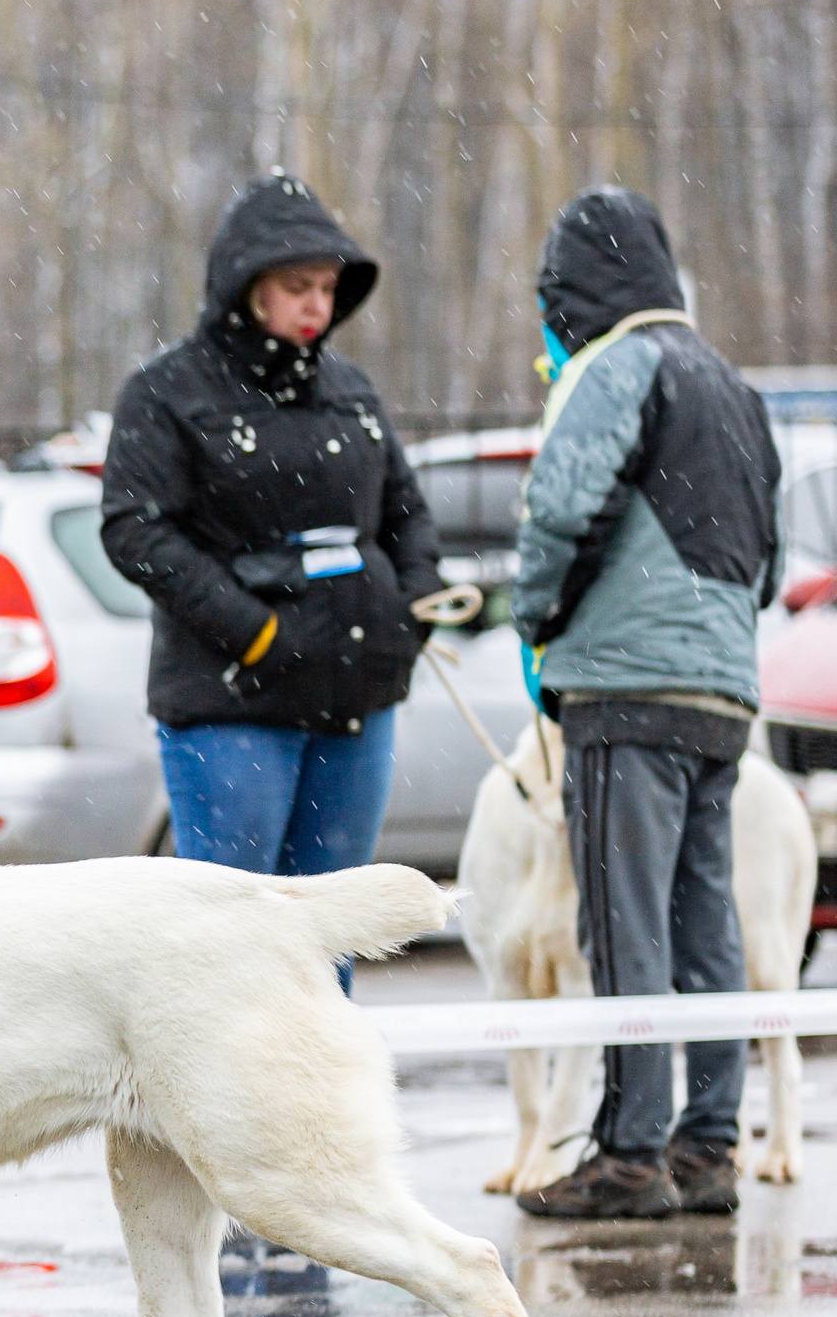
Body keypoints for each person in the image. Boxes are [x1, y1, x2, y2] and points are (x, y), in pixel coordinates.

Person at [101, 172, 443, 995]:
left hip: (354, 697)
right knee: (233, 934)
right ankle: (220, 1084)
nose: (316, 306)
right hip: (232, 705)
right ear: (246, 286)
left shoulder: (351, 392)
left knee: (334, 931)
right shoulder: (167, 392)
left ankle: (321, 1083)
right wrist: (255, 633)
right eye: (297, 287)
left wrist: (411, 614)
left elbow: (405, 515)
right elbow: (135, 530)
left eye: (327, 288)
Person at [511, 187, 781, 1221]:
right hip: (721, 690)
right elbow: (767, 559)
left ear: (574, 291)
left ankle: (629, 1157)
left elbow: (561, 506)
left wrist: (536, 619)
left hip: (626, 689)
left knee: (624, 923)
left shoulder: (617, 365)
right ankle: (707, 1145)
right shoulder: (733, 385)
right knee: (704, 923)